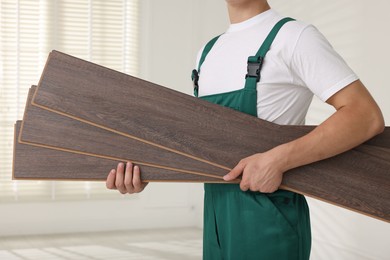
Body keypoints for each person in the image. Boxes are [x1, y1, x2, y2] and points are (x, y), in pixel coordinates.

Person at [106, 0, 385, 259]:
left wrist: (278, 159)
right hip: (215, 218)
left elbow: (365, 116)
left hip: (270, 217)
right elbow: (201, 143)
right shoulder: (208, 52)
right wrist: (148, 172)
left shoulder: (295, 37)